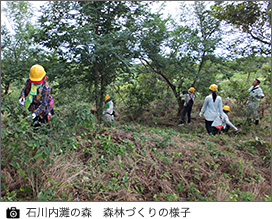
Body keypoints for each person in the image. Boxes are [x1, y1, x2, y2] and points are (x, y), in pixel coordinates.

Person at [19, 64, 51, 131]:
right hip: (33, 106)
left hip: (43, 109)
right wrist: (22, 96)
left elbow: (44, 104)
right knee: (35, 127)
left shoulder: (45, 88)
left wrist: (36, 113)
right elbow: (24, 90)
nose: (35, 83)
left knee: (44, 128)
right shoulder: (29, 82)